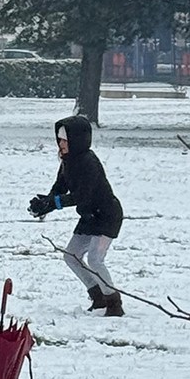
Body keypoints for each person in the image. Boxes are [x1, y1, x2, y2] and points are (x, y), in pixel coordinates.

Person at [29, 114, 125, 316]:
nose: (61, 144)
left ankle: (114, 302)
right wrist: (44, 204)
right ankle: (97, 295)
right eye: (60, 140)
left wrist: (55, 203)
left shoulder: (88, 162)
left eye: (65, 140)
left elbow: (82, 195)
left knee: (95, 259)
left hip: (107, 215)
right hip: (89, 217)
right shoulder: (67, 162)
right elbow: (60, 188)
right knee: (71, 256)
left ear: (77, 140)